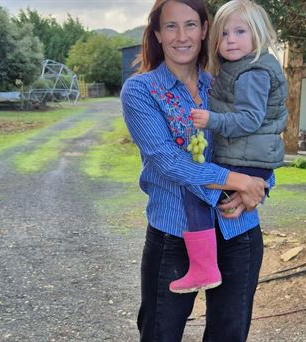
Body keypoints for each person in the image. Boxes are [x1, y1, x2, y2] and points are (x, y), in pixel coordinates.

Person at [120, 0, 273, 340]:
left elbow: (260, 137)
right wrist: (239, 182)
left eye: (191, 25)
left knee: (229, 333)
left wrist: (260, 184)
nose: (181, 36)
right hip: (174, 232)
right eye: (171, 26)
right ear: (157, 34)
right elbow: (169, 161)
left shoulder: (224, 83)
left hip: (238, 229)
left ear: (205, 30)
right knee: (161, 332)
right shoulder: (141, 90)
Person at [170, 0, 287, 294]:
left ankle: (203, 267)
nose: (230, 40)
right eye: (223, 34)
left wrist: (212, 120)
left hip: (248, 156)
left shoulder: (252, 73)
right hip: (250, 156)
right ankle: (206, 264)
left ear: (259, 35)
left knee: (197, 188)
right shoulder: (241, 68)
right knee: (208, 190)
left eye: (240, 32)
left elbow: (249, 120)